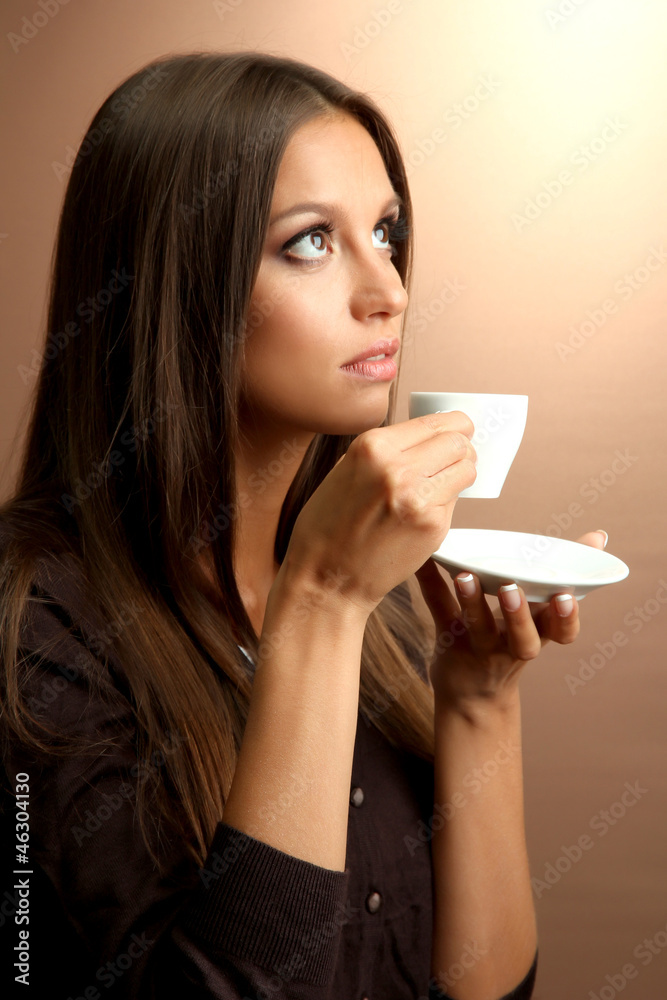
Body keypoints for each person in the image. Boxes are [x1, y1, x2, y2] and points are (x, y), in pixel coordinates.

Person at [0, 51, 606, 999]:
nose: (390, 291)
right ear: (173, 279)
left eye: (384, 232)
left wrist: (478, 698)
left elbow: (483, 992)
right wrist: (319, 605)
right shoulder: (38, 631)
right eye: (311, 243)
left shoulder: (386, 596)